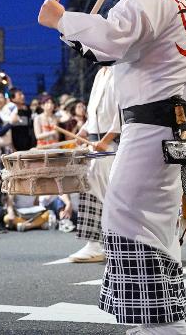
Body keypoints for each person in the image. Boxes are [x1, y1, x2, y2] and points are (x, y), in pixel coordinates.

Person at [39, 0, 186, 334]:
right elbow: (111, 51)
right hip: (171, 126)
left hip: (151, 127)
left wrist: (61, 19)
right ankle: (168, 323)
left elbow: (113, 38)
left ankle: (160, 327)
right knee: (156, 223)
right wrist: (73, 31)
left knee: (129, 219)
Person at [67, 65, 120, 263]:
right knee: (92, 187)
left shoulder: (121, 71)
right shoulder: (101, 73)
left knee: (101, 189)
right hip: (96, 143)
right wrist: (84, 130)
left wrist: (106, 139)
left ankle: (100, 243)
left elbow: (122, 112)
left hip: (109, 144)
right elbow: (94, 112)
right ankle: (98, 243)